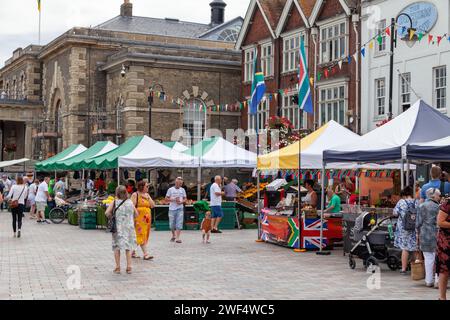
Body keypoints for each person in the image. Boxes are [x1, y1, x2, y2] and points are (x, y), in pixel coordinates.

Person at [105, 186, 138, 275]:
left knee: (117, 247)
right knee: (128, 247)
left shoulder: (115, 202)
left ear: (117, 193)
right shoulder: (130, 202)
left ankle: (118, 267)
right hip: (129, 228)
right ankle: (129, 267)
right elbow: (136, 214)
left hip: (118, 228)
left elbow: (107, 212)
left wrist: (112, 217)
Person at [417, 188, 441, 288]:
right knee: (438, 258)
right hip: (437, 234)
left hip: (425, 234)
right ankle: (437, 280)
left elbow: (418, 223)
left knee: (428, 258)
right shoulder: (439, 207)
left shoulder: (421, 206)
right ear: (433, 196)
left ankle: (428, 280)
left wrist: (417, 234)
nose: (440, 197)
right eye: (438, 195)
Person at [393, 186, 418, 275]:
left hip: (404, 228)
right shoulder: (416, 202)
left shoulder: (401, 202)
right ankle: (415, 268)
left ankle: (403, 269)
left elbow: (395, 213)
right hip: (414, 227)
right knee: (415, 248)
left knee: (405, 248)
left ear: (404, 194)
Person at [131, 181, 155, 260]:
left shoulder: (147, 195)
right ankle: (146, 254)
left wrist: (148, 198)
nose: (148, 188)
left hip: (147, 220)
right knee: (141, 234)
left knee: (143, 235)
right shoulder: (135, 195)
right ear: (142, 187)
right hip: (139, 219)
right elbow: (132, 206)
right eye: (146, 186)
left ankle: (133, 252)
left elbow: (152, 205)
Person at [166, 177, 187, 243]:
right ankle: (173, 235)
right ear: (175, 182)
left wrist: (181, 202)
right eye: (179, 183)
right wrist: (174, 199)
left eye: (181, 183)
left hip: (180, 208)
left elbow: (185, 198)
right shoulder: (170, 190)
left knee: (179, 223)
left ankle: (177, 238)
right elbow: (166, 199)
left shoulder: (182, 190)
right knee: (171, 224)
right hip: (172, 209)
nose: (180, 184)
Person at [436, 197, 450, 300]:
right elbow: (440, 222)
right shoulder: (448, 203)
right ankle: (442, 297)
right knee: (444, 270)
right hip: (446, 242)